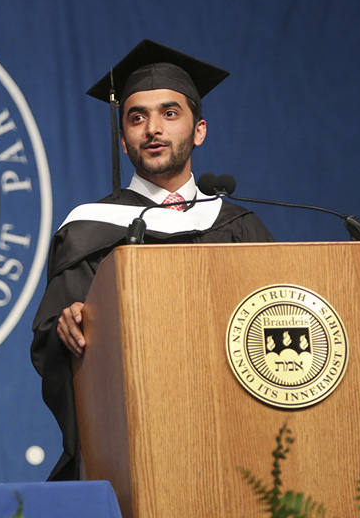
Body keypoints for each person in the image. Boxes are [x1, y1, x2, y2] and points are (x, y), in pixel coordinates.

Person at [30, 39, 274, 481]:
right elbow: (53, 343)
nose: (152, 129)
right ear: (124, 141)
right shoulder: (91, 228)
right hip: (136, 445)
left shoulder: (239, 226)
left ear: (199, 130)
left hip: (240, 442)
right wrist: (67, 328)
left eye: (169, 113)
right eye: (136, 117)